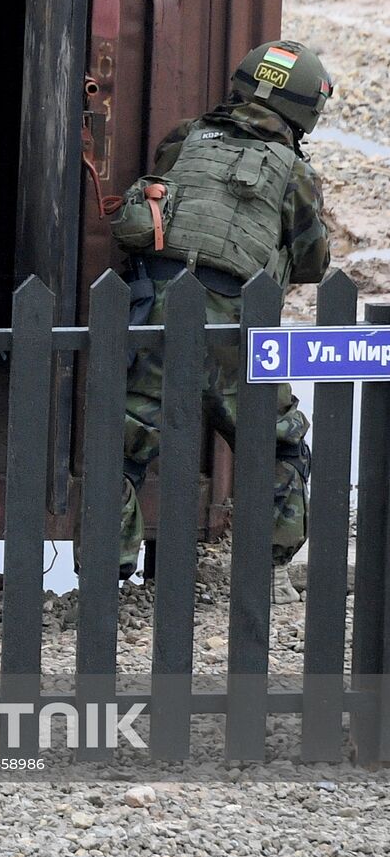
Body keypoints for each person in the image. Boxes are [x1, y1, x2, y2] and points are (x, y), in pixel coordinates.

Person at [110, 40, 333, 604]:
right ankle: (266, 572)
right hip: (238, 328)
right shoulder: (292, 170)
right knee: (279, 448)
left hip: (157, 315)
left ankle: (108, 582)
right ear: (303, 109)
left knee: (124, 446)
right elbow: (312, 261)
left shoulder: (184, 138)